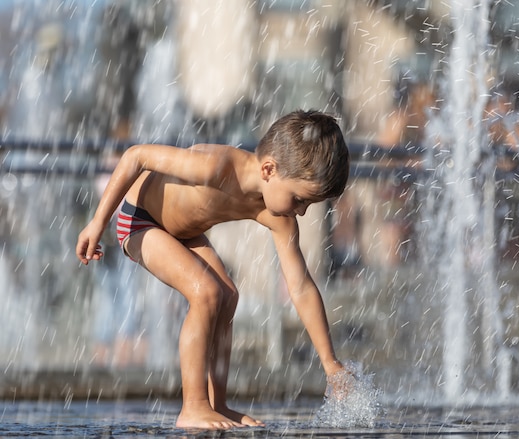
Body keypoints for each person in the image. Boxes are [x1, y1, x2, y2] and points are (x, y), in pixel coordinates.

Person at [76, 110, 351, 430]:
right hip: (138, 219)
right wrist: (97, 222)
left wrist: (331, 364)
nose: (300, 212)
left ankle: (217, 404)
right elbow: (136, 156)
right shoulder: (216, 167)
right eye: (299, 199)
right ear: (269, 169)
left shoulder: (280, 217)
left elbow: (301, 287)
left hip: (182, 232)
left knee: (228, 295)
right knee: (206, 293)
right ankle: (193, 407)